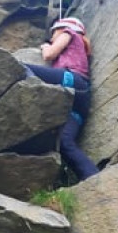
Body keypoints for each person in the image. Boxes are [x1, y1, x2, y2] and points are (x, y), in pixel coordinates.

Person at [25, 16, 100, 180]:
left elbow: (49, 55)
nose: (52, 37)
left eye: (53, 32)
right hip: (81, 99)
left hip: (71, 79)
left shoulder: (69, 32)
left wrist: (46, 47)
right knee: (65, 144)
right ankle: (94, 179)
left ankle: (30, 93)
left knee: (21, 67)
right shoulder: (80, 46)